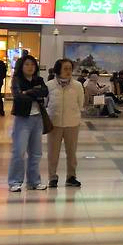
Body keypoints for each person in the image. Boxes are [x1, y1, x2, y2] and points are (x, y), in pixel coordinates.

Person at [8, 54, 49, 193]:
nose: (30, 67)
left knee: (36, 153)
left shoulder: (39, 79)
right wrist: (34, 94)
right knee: (19, 152)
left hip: (37, 118)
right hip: (23, 119)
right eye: (27, 64)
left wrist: (29, 92)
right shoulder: (17, 80)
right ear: (21, 66)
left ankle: (34, 181)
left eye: (32, 64)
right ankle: (15, 182)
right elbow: (18, 97)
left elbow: (44, 92)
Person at [46, 58, 84, 189]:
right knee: (53, 152)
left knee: (71, 152)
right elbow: (45, 103)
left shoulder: (77, 86)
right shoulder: (49, 85)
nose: (68, 71)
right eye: (65, 68)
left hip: (72, 123)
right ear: (58, 70)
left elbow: (81, 103)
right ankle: (52, 177)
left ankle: (71, 177)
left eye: (70, 69)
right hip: (54, 124)